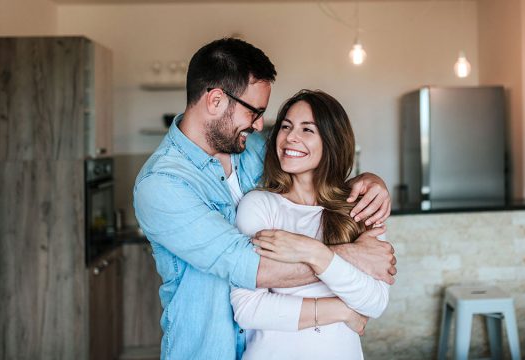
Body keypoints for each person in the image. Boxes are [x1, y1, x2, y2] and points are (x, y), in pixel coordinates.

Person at [133, 38, 395, 360]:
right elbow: (250, 267)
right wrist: (352, 257)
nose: (259, 125)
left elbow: (314, 162)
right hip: (209, 350)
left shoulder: (251, 148)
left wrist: (369, 181)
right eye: (254, 112)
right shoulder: (162, 184)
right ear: (216, 101)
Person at [231, 90, 390, 360]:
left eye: (307, 130)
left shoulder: (359, 207)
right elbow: (248, 309)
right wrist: (344, 311)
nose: (291, 137)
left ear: (332, 142)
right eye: (285, 126)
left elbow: (375, 302)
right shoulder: (259, 205)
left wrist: (313, 252)